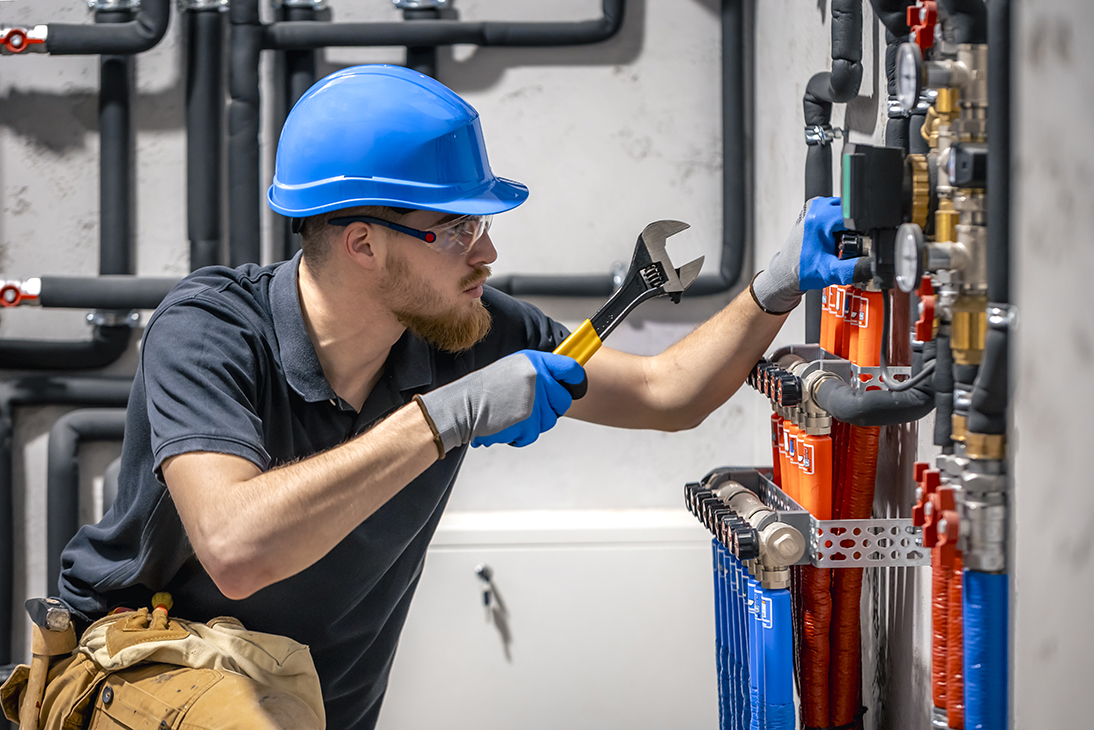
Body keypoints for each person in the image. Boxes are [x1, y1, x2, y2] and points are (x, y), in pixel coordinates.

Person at [52, 65, 857, 729]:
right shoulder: (209, 331)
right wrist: (445, 419)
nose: (489, 251)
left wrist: (773, 288)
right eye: (457, 228)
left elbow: (664, 392)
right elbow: (237, 549)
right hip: (139, 689)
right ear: (363, 242)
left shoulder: (462, 329)